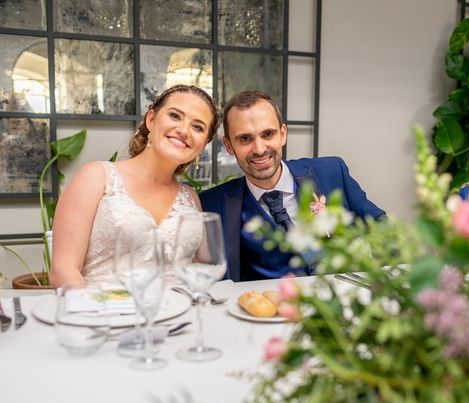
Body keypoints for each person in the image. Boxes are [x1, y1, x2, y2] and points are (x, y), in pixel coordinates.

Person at [199, 90, 385, 282]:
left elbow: (381, 226)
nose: (260, 149)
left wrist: (382, 282)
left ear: (282, 134)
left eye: (268, 134)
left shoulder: (332, 171)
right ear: (229, 146)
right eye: (245, 139)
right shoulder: (212, 204)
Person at [51, 84, 220, 287]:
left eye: (197, 127)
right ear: (151, 120)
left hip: (180, 314)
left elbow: (204, 270)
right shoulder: (96, 177)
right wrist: (95, 314)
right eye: (175, 116)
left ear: (203, 144)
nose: (184, 130)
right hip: (103, 313)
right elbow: (63, 272)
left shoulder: (191, 198)